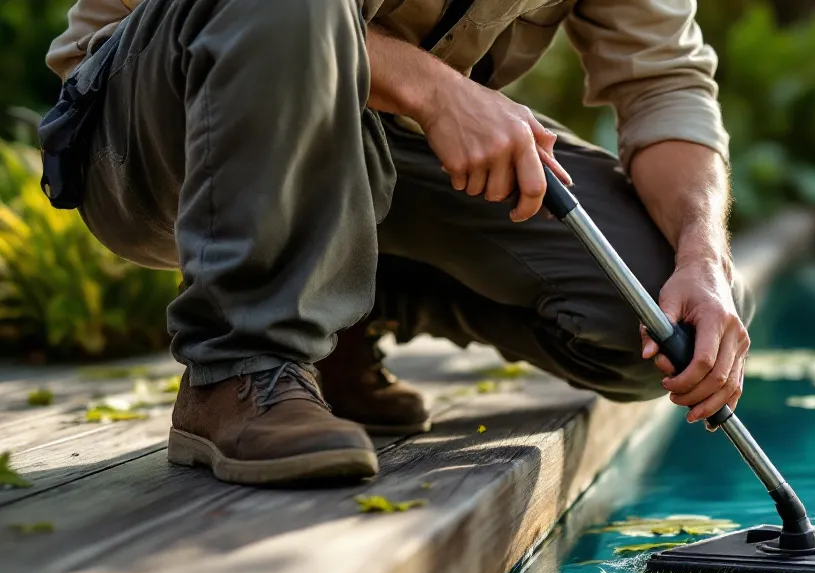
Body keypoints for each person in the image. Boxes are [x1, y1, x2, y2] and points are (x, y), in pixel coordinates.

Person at [43, 0, 750, 486]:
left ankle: (339, 314)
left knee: (654, 314)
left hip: (376, 128)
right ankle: (237, 366)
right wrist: (439, 92)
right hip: (152, 125)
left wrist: (704, 261)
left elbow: (665, 83)